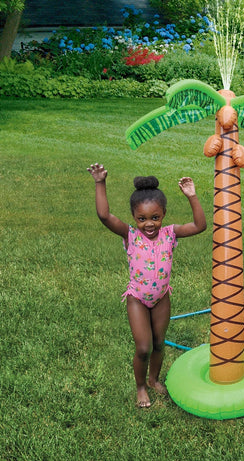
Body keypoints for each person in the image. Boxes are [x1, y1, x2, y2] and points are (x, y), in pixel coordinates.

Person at [87, 163, 207, 408]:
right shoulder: (130, 235)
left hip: (162, 297)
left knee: (159, 343)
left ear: (163, 214)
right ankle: (140, 386)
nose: (149, 224)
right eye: (142, 219)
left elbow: (199, 226)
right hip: (138, 299)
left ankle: (153, 380)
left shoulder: (171, 233)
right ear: (134, 217)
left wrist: (192, 196)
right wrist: (100, 182)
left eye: (155, 217)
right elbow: (104, 216)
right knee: (143, 347)